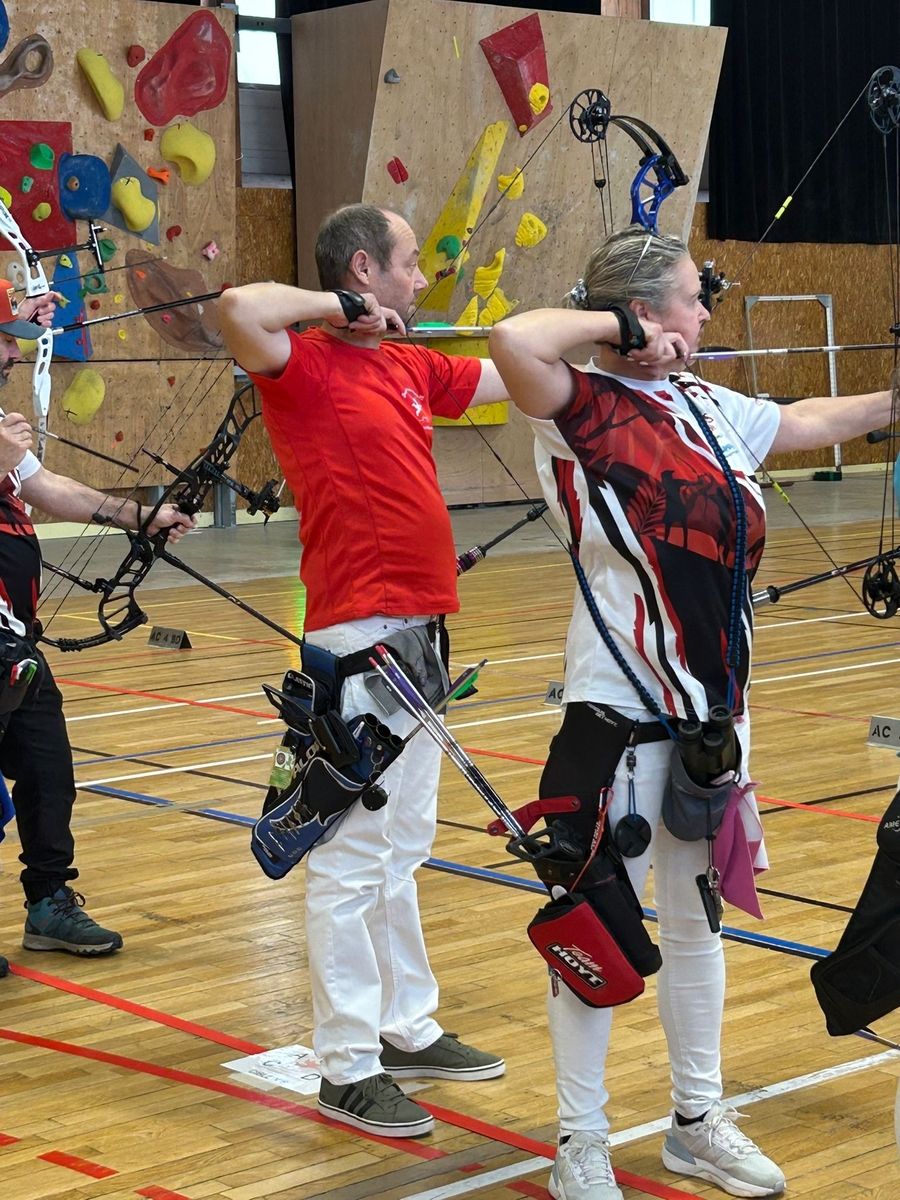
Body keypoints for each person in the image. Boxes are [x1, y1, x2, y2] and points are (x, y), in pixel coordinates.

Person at [488, 225, 896, 1200]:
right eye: (689, 295)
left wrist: (892, 403)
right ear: (640, 313)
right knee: (596, 926)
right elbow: (513, 339)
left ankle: (696, 1120)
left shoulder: (707, 405)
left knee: (698, 924)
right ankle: (581, 1140)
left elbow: (804, 421)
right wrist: (613, 328)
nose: (706, 311)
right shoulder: (580, 405)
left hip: (714, 722)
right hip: (617, 717)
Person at [218, 204, 510, 1138]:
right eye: (409, 264)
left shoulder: (409, 363)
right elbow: (237, 308)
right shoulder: (303, 365)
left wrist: (609, 342)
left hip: (421, 631)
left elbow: (513, 370)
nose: (421, 280)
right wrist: (334, 311)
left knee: (404, 844)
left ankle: (403, 1027)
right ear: (362, 271)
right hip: (358, 635)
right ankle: (347, 1067)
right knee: (349, 860)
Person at [0, 280, 195, 980]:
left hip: (12, 642)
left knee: (49, 770)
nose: (13, 357)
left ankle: (49, 903)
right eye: (5, 343)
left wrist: (141, 516)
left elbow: (49, 489)